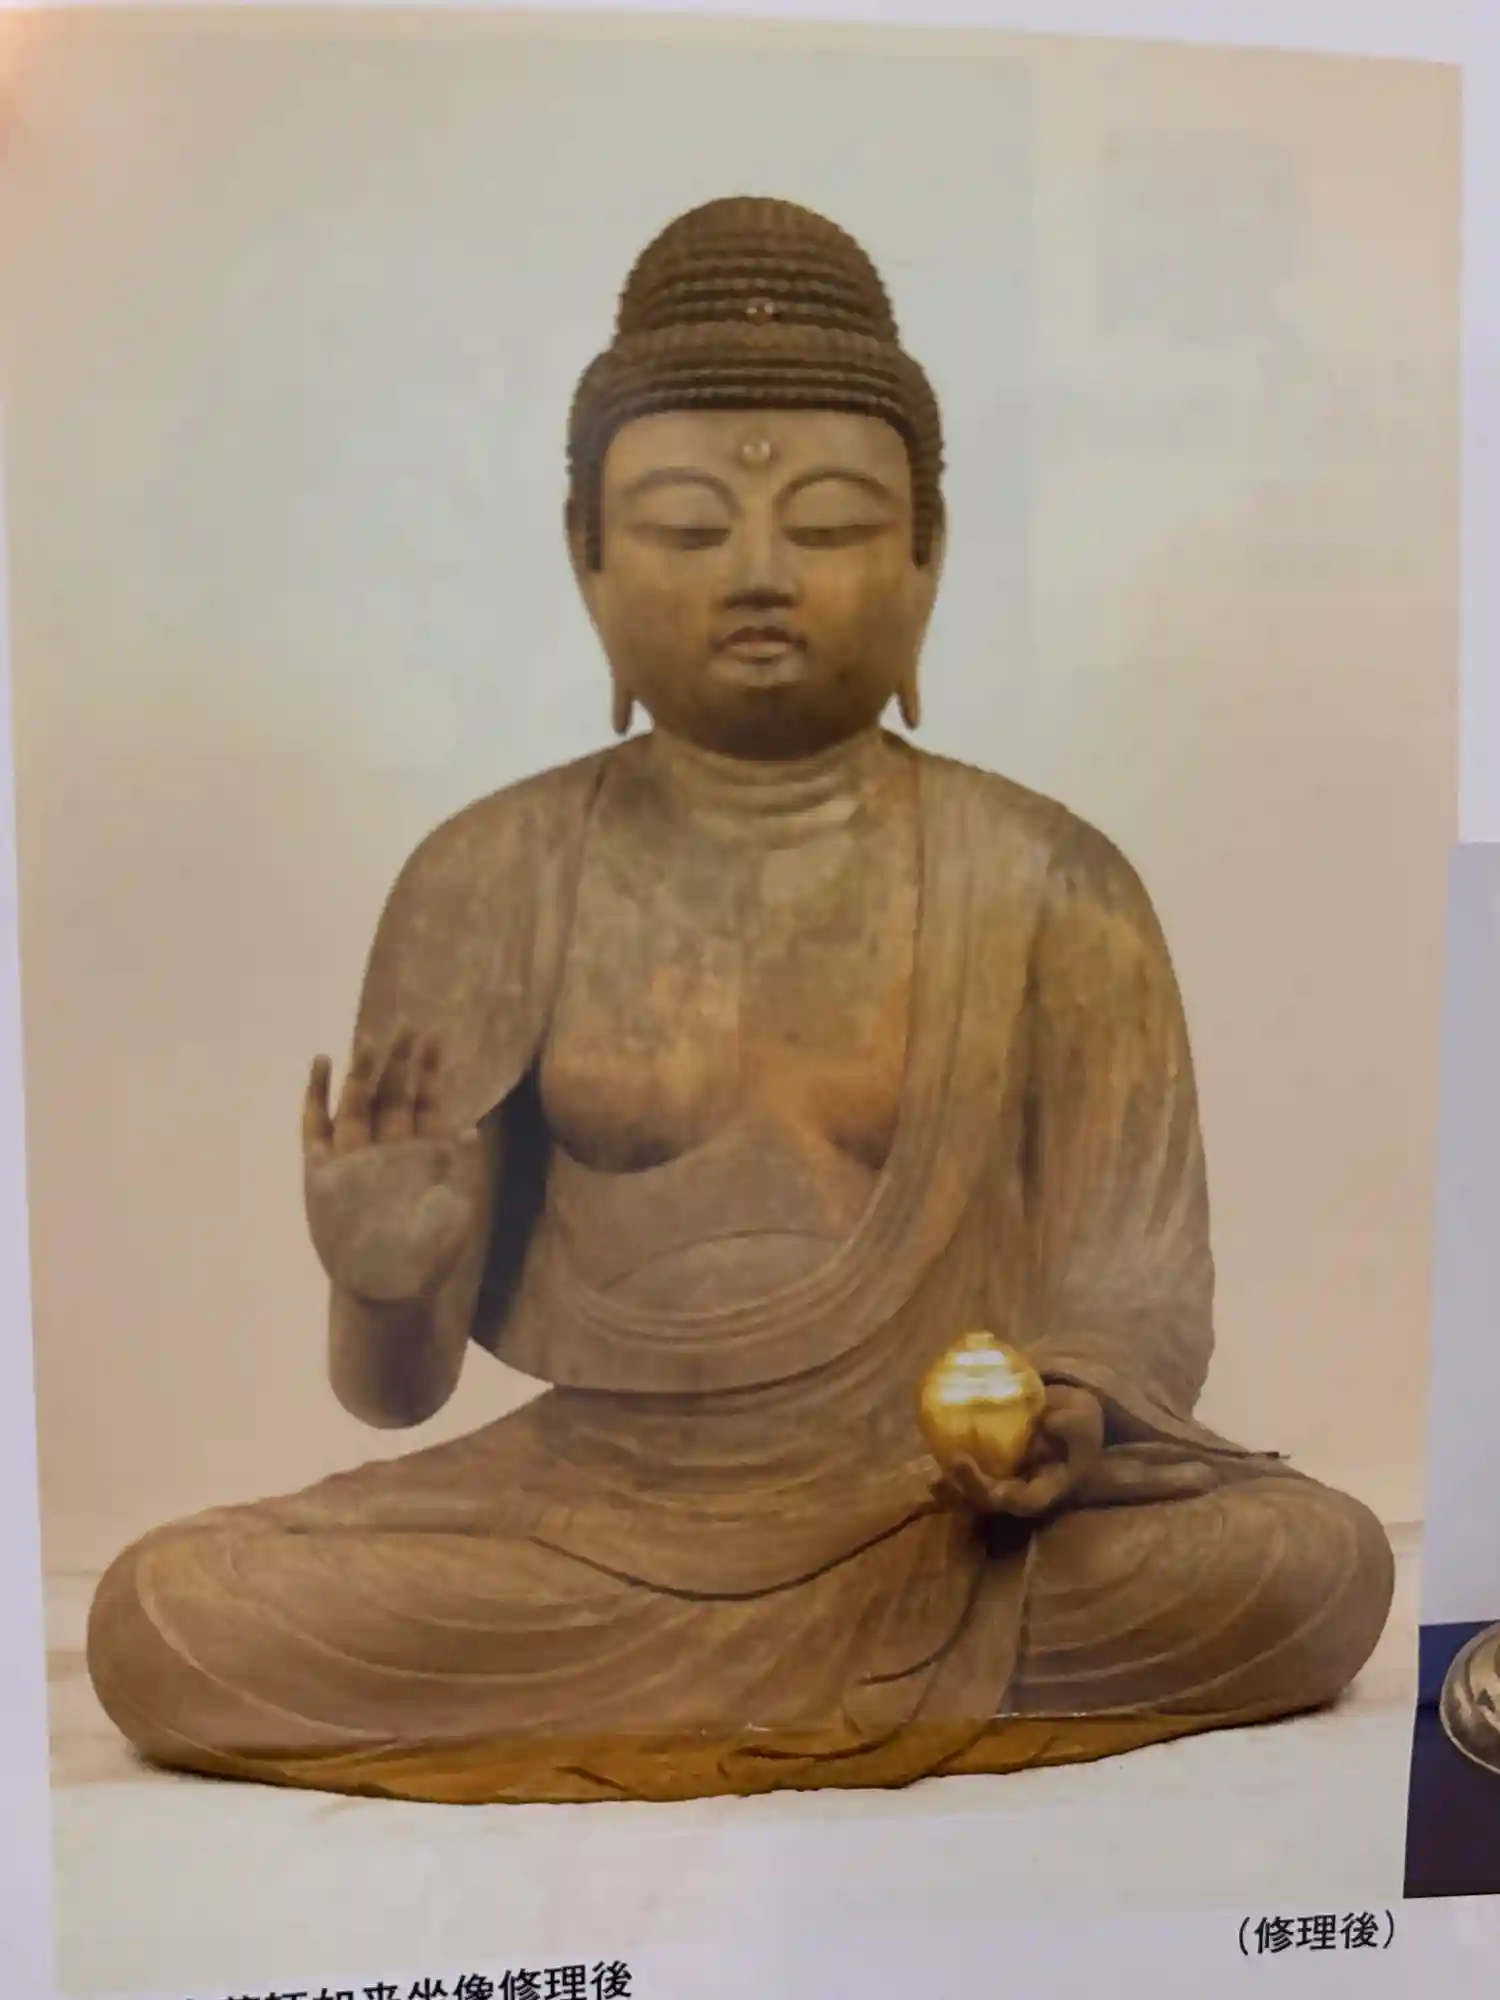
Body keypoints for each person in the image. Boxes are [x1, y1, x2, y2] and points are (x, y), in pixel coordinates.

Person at [86, 197, 1394, 1804]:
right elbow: (397, 1393)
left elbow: (1135, 1288)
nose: (763, 575)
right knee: (165, 1615)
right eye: (689, 529)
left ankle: (714, 1698)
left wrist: (1066, 1409)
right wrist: (380, 1282)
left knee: (1311, 1565)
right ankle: (866, 1697)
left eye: (831, 526)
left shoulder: (1056, 883)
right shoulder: (488, 873)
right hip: (588, 1509)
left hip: (941, 1507)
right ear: (586, 558)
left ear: (925, 556)